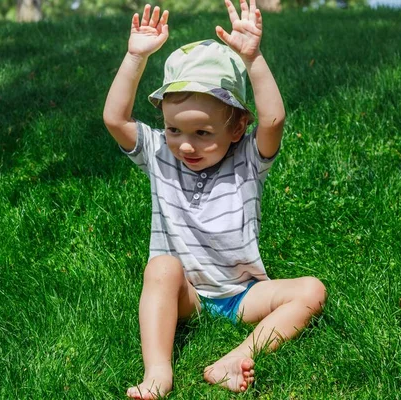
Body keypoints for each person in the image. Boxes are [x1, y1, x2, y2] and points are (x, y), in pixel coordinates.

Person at [103, 0, 327, 398]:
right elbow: (115, 119)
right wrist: (135, 56)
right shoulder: (158, 154)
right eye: (174, 129)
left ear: (238, 126)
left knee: (311, 290)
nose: (185, 145)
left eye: (203, 133)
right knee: (161, 267)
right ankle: (158, 372)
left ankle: (236, 356)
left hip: (242, 293)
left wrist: (253, 57)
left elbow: (273, 119)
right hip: (187, 293)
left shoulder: (248, 160)